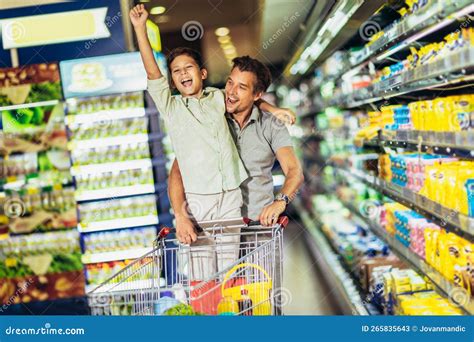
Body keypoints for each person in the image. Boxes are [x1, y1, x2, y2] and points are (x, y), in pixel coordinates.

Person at [130, 5, 295, 278]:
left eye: (189, 68)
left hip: (231, 194)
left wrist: (274, 110)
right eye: (176, 71)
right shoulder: (170, 106)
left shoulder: (218, 97)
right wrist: (139, 29)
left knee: (228, 269)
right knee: (202, 272)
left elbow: (247, 96)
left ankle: (227, 313)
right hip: (197, 201)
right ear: (171, 79)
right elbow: (152, 73)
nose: (183, 74)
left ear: (202, 73)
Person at [169, 57, 304, 305]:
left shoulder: (271, 125)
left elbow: (294, 171)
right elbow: (177, 172)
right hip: (214, 229)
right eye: (230, 82)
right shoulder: (210, 115)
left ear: (257, 94)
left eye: (241, 87)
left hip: (257, 231)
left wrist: (280, 202)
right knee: (214, 304)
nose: (230, 92)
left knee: (260, 304)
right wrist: (180, 214)